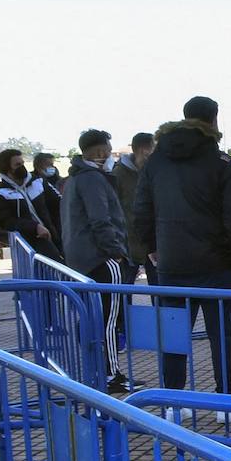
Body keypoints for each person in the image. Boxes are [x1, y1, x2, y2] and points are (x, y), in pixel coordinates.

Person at [134, 95, 231, 416]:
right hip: (216, 264)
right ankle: (226, 402)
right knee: (221, 334)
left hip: (171, 263)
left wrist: (152, 249)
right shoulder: (223, 164)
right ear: (214, 120)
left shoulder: (156, 162)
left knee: (173, 334)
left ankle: (174, 403)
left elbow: (141, 209)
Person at [61, 129, 136, 393]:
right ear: (100, 151)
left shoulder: (75, 178)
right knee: (109, 319)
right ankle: (111, 373)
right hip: (101, 258)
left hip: (81, 259)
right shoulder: (93, 179)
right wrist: (115, 250)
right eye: (108, 148)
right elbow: (101, 219)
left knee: (94, 318)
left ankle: (98, 370)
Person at [0, 147, 63, 259]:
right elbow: (6, 221)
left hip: (56, 235)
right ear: (7, 168)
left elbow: (59, 203)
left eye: (22, 163)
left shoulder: (38, 182)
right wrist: (35, 227)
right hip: (31, 242)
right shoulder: (0, 192)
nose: (22, 167)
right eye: (17, 165)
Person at [112, 131, 156, 284]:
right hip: (127, 244)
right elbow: (113, 209)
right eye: (154, 148)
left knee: (159, 292)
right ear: (144, 150)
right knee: (125, 289)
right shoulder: (118, 174)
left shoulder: (154, 172)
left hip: (151, 242)